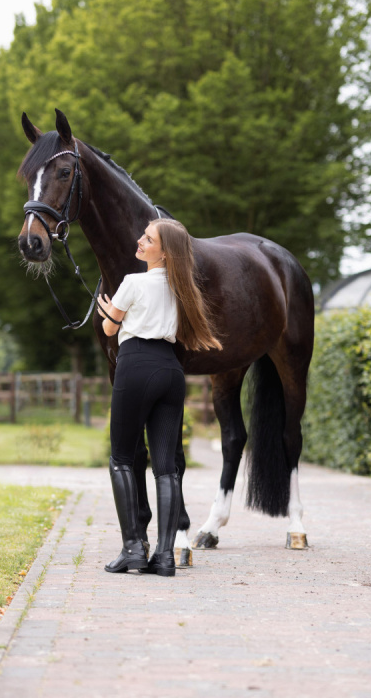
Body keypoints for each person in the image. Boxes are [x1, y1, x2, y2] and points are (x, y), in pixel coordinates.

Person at [97, 217, 222, 577]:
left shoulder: (133, 282)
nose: (139, 240)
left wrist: (107, 313)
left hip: (136, 366)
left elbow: (109, 329)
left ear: (164, 253)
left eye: (148, 239)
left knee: (121, 458)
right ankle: (165, 556)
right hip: (170, 371)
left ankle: (133, 548)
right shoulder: (184, 289)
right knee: (167, 467)